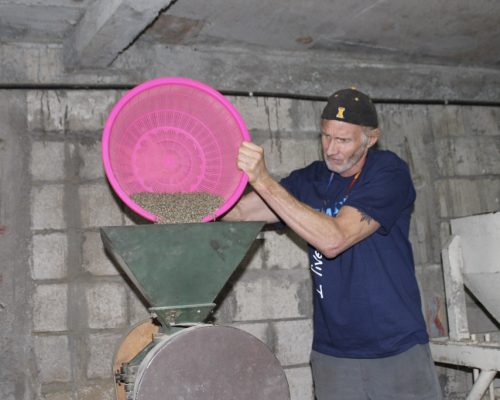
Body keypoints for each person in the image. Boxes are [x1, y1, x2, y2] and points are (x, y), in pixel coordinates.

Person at [223, 88, 443, 400]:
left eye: (344, 140)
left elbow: (334, 239)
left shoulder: (388, 172)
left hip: (394, 347)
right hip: (334, 354)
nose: (331, 149)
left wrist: (263, 179)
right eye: (326, 136)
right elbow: (242, 211)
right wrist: (193, 193)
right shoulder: (310, 180)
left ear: (371, 138)